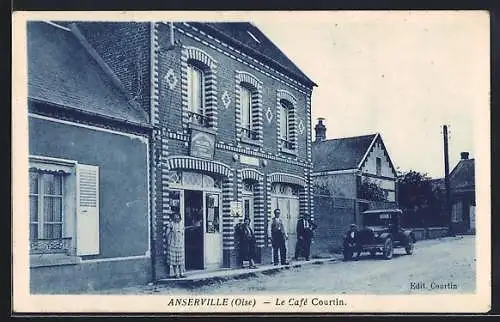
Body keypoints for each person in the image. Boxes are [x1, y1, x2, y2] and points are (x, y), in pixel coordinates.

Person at [166, 212, 185, 278]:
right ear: (173, 217)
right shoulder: (170, 224)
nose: (176, 218)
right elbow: (167, 234)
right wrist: (169, 241)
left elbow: (182, 233)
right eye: (175, 216)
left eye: (178, 216)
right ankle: (176, 274)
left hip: (180, 244)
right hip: (173, 244)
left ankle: (181, 273)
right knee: (174, 260)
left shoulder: (181, 224)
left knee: (180, 260)